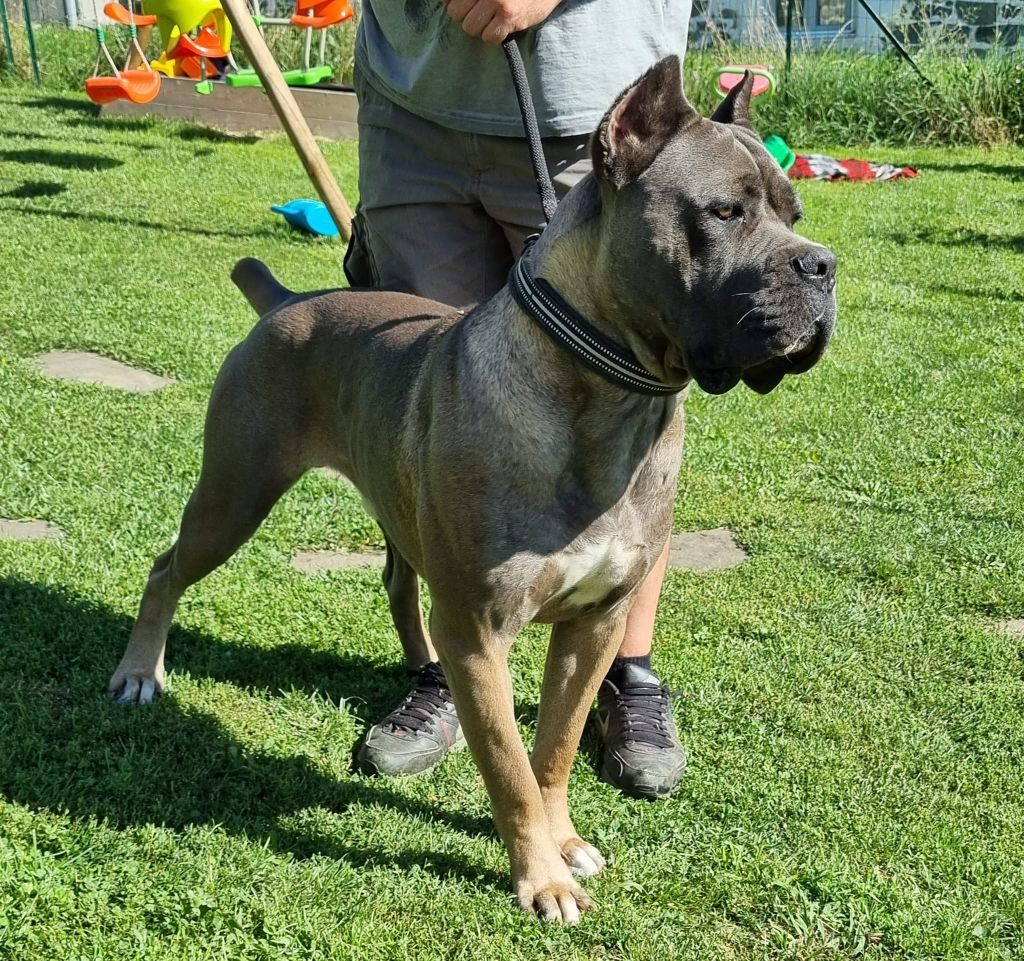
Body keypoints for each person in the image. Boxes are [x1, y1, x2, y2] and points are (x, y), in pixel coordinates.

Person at [344, 0, 691, 799]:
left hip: (600, 117)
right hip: (412, 99)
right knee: (435, 418)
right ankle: (453, 665)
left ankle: (627, 672)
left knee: (623, 402)